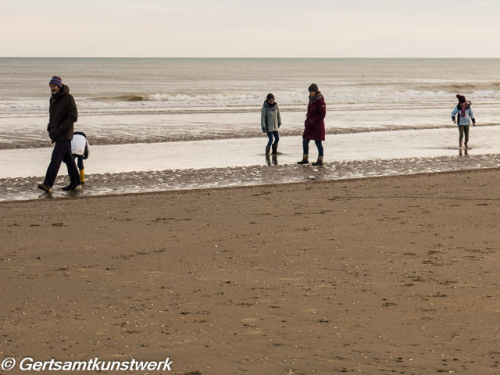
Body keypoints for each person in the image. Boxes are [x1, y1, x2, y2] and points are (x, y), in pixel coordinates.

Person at [37, 76, 82, 193]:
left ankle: (48, 184)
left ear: (59, 86)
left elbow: (73, 116)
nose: (52, 88)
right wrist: (50, 128)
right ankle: (76, 183)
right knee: (68, 159)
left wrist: (61, 129)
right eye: (50, 86)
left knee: (55, 159)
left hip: (65, 134)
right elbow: (52, 117)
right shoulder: (52, 99)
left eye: (54, 86)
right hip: (56, 134)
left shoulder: (68, 98)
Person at [297, 83, 326, 166]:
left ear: (316, 91)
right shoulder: (311, 100)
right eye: (310, 91)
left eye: (312, 91)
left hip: (317, 126)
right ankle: (305, 159)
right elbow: (309, 112)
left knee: (318, 142)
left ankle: (320, 160)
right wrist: (307, 121)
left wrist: (314, 120)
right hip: (309, 125)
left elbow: (322, 114)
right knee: (305, 140)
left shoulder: (320, 101)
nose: (310, 93)